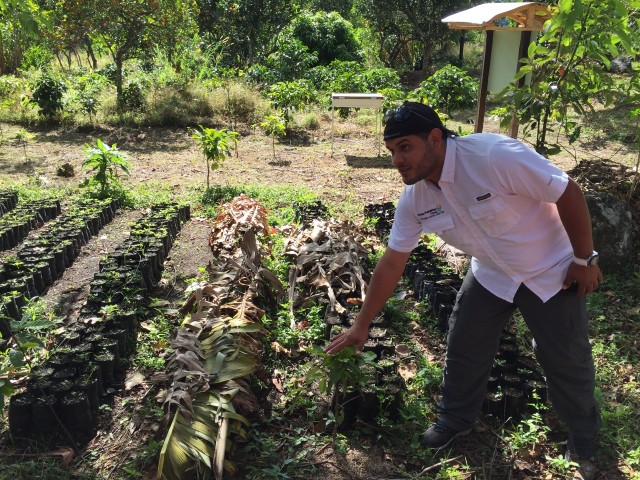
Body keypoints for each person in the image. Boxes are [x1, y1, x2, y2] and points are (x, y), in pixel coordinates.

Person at [325, 101, 602, 475]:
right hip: (492, 274)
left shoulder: (493, 157)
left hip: (550, 268)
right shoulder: (417, 198)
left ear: (435, 139)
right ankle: (455, 419)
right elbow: (393, 261)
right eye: (392, 150)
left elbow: (567, 191)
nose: (397, 160)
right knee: (464, 344)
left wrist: (584, 260)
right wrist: (362, 324)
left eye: (405, 147)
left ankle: (583, 430)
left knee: (564, 355)